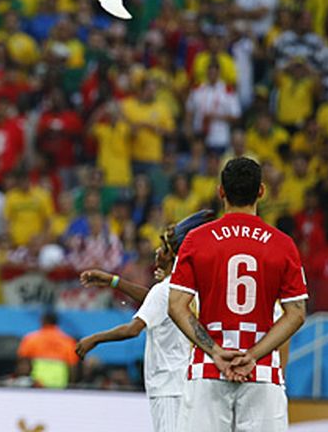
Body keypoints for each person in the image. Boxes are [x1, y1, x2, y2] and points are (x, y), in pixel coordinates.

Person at [168, 157, 308, 432]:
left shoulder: (197, 239)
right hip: (263, 372)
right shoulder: (283, 245)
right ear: (261, 191)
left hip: (208, 369)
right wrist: (253, 355)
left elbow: (176, 306)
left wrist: (216, 352)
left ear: (221, 191)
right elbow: (297, 313)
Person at [77, 210, 214, 432]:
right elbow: (154, 301)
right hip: (187, 381)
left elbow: (133, 329)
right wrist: (113, 281)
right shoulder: (189, 287)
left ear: (172, 255)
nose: (157, 252)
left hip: (168, 385)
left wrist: (95, 339)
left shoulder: (164, 291)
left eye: (163, 248)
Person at [16, 310, 78, 389]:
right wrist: (71, 384)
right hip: (59, 383)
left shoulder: (31, 339)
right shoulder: (68, 341)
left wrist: (23, 380)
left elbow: (23, 363)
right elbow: (73, 367)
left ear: (42, 321)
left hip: (38, 382)